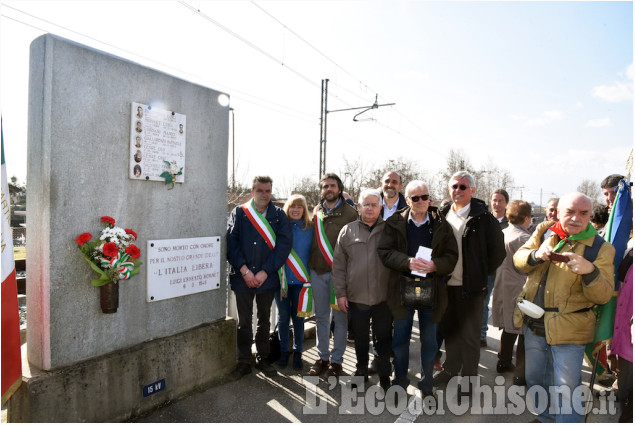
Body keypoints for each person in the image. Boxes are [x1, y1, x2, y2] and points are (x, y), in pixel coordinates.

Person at [513, 192, 615, 422]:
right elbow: (518, 259)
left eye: (583, 213)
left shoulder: (601, 248)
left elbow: (604, 295)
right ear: (559, 213)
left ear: (590, 215)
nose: (576, 218)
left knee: (567, 391)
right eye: (569, 212)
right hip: (534, 324)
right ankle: (546, 417)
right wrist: (536, 255)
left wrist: (590, 271)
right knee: (535, 379)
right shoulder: (545, 232)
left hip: (570, 330)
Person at [378, 180, 458, 396]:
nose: (421, 201)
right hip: (402, 287)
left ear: (429, 198)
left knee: (430, 342)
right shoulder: (394, 222)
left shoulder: (441, 224)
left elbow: (452, 256)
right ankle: (400, 381)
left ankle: (427, 384)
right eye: (416, 198)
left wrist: (435, 265)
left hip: (432, 289)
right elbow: (384, 251)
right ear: (407, 200)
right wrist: (407, 262)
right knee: (401, 339)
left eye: (425, 197)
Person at [434, 171, 505, 391]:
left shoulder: (484, 218)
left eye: (463, 187)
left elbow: (498, 253)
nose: (458, 190)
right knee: (451, 332)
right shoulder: (442, 213)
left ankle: (468, 381)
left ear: (472, 190)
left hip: (472, 289)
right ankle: (450, 370)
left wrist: (479, 272)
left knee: (470, 338)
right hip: (446, 287)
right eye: (454, 186)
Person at [226, 176, 292, 379]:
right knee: (244, 321)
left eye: (268, 191)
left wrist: (265, 271)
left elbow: (284, 246)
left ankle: (262, 358)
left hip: (268, 278)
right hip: (242, 277)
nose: (264, 194)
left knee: (264, 320)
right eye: (260, 190)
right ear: (252, 191)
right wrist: (245, 271)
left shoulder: (279, 215)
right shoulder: (239, 212)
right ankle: (244, 361)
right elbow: (231, 242)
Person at [333, 189, 392, 390]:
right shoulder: (347, 231)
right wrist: (340, 294)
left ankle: (385, 375)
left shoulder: (390, 230)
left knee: (383, 339)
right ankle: (361, 372)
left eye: (374, 204)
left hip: (383, 298)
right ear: (359, 207)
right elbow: (339, 265)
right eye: (366, 204)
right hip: (356, 298)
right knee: (360, 339)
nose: (369, 208)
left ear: (380, 207)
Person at [308, 173, 358, 379]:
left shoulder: (351, 214)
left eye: (332, 186)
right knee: (321, 317)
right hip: (318, 273)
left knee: (340, 318)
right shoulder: (317, 211)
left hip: (340, 276)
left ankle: (336, 361)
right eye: (325, 186)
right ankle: (322, 357)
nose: (329, 189)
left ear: (339, 188)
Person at [491, 200, 532, 386]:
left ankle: (503, 361)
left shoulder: (503, 232)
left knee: (508, 328)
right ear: (526, 218)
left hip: (503, 284)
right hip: (520, 286)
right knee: (523, 330)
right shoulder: (524, 238)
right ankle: (520, 373)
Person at [274, 194, 313, 371]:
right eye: (292, 206)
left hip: (301, 282)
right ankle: (284, 351)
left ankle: (298, 353)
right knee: (283, 318)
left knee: (299, 319)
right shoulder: (279, 227)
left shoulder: (311, 228)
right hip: (282, 281)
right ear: (287, 208)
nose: (296, 210)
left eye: (299, 206)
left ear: (304, 209)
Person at [481, 189, 510, 347]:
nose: (497, 204)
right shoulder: (484, 220)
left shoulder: (510, 222)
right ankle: (481, 334)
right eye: (494, 200)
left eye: (500, 200)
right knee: (483, 300)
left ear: (506, 203)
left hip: (505, 268)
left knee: (503, 302)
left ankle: (507, 337)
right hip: (488, 268)